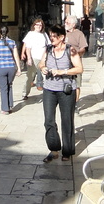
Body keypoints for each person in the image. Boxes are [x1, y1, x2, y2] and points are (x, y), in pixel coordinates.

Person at [38, 24, 83, 162]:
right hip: (49, 89)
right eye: (50, 36)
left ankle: (67, 151)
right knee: (48, 120)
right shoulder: (48, 49)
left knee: (67, 120)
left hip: (66, 90)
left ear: (62, 37)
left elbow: (79, 68)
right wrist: (43, 67)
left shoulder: (71, 50)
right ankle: (54, 149)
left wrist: (63, 71)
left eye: (54, 36)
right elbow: (41, 63)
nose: (51, 38)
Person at [0, 26, 22, 115]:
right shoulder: (12, 42)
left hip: (1, 68)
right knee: (9, 85)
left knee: (3, 88)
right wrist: (19, 68)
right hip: (11, 68)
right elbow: (16, 56)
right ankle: (10, 105)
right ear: (8, 32)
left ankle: (5, 109)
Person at [21, 18, 50, 100]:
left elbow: (48, 45)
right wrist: (29, 58)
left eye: (40, 25)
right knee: (30, 77)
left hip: (43, 58)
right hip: (34, 58)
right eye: (37, 25)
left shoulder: (44, 34)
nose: (39, 26)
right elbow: (28, 47)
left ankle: (49, 93)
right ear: (34, 25)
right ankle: (25, 93)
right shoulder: (30, 34)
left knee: (46, 76)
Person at [64, 15, 88, 104]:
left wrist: (76, 54)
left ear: (73, 24)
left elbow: (83, 48)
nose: (65, 24)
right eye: (65, 22)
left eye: (67, 22)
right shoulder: (63, 33)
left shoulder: (79, 34)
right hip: (64, 62)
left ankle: (75, 102)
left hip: (76, 62)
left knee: (77, 84)